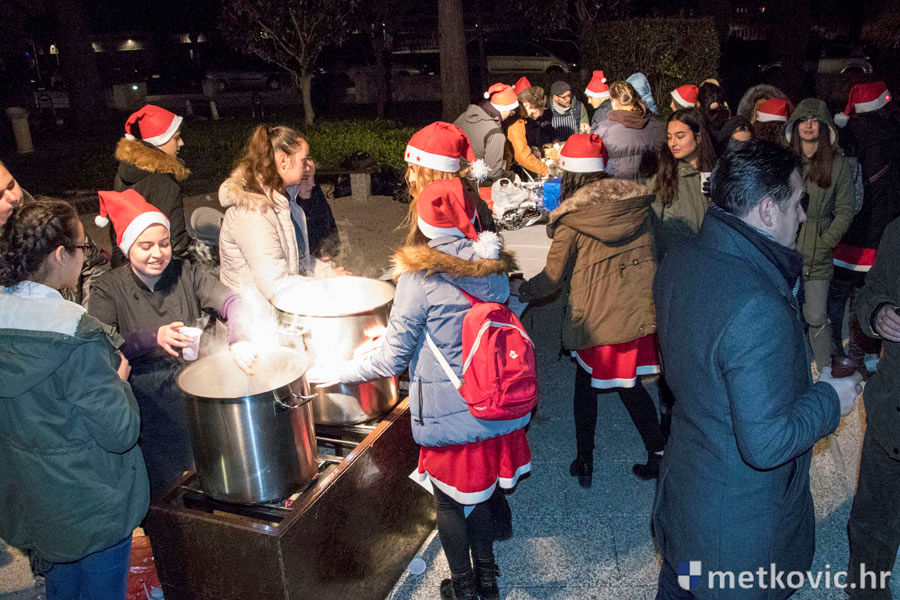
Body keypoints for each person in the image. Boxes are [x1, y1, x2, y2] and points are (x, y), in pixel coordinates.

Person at [652, 140, 862, 599]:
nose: (803, 215)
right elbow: (766, 444)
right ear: (767, 210)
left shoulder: (678, 262)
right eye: (797, 202)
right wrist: (831, 398)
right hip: (737, 534)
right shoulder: (756, 305)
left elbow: (681, 375)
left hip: (685, 498)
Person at [307, 177, 530, 600]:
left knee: (449, 504)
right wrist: (404, 333)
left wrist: (339, 370)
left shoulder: (419, 277)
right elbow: (459, 325)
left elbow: (391, 361)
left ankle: (463, 587)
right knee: (482, 497)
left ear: (424, 224)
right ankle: (488, 582)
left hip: (450, 411)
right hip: (493, 400)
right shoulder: (493, 268)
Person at [0, 201, 149, 600]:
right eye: (83, 248)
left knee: (61, 590)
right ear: (59, 255)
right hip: (92, 504)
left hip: (33, 500)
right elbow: (119, 431)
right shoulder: (76, 334)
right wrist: (118, 380)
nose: (87, 256)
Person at [512, 134, 665, 483]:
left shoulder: (573, 219)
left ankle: (586, 459)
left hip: (596, 319)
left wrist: (523, 289)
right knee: (626, 385)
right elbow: (662, 250)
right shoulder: (639, 206)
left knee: (591, 387)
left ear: (569, 174)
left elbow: (552, 278)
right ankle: (656, 452)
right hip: (636, 312)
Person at [88, 190, 257, 499]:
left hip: (195, 394)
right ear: (127, 247)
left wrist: (239, 339)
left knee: (212, 481)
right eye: (146, 246)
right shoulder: (108, 288)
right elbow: (101, 346)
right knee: (167, 493)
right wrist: (153, 338)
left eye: (164, 244)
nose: (158, 253)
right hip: (147, 407)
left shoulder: (185, 272)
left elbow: (233, 302)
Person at [218, 125, 341, 306]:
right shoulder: (253, 213)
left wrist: (326, 273)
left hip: (277, 307)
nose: (307, 167)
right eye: (303, 160)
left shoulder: (285, 202)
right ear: (284, 161)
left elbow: (297, 261)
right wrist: (325, 287)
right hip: (253, 315)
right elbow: (275, 285)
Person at [828, 81, 900, 377]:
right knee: (869, 295)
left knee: (838, 297)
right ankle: (863, 354)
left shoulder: (846, 138)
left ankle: (835, 354)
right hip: (881, 234)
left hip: (849, 232)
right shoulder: (894, 135)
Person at [847, 215, 900, 598]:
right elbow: (871, 291)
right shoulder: (897, 231)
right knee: (872, 523)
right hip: (891, 410)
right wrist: (878, 313)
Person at [784, 98, 855, 373]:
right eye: (803, 120)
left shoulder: (837, 165)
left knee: (816, 316)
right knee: (788, 316)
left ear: (824, 127)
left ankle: (825, 371)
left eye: (815, 121)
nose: (809, 125)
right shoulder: (786, 161)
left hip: (818, 254)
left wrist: (826, 241)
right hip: (787, 251)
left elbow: (846, 209)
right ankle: (793, 372)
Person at [0, 161, 109, 306]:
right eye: (0, 195)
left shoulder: (49, 217)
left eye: (11, 185)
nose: (13, 198)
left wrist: (85, 314)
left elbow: (94, 266)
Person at [112, 104, 190, 267]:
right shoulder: (163, 179)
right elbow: (175, 241)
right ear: (160, 141)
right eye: (176, 138)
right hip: (158, 269)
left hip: (128, 265)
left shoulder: (125, 171)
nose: (181, 143)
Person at [647, 108, 717, 259]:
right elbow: (651, 228)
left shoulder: (720, 173)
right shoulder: (663, 177)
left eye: (680, 136)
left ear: (698, 136)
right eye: (669, 137)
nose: (673, 143)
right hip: (678, 262)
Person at [403, 121, 495, 234]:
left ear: (434, 172)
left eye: (413, 169)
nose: (410, 178)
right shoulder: (438, 202)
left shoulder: (465, 210)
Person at [591, 80, 665, 181]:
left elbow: (594, 164)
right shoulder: (659, 124)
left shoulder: (602, 130)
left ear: (614, 102)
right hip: (651, 185)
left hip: (619, 187)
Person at [454, 83, 520, 183]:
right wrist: (512, 177)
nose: (510, 115)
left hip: (452, 174)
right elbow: (493, 172)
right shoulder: (495, 133)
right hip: (473, 183)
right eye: (511, 112)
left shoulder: (464, 116)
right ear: (506, 109)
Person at [506, 85, 550, 178]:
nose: (529, 116)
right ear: (526, 104)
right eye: (532, 112)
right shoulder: (516, 121)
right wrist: (545, 170)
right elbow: (522, 155)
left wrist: (531, 148)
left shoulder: (515, 116)